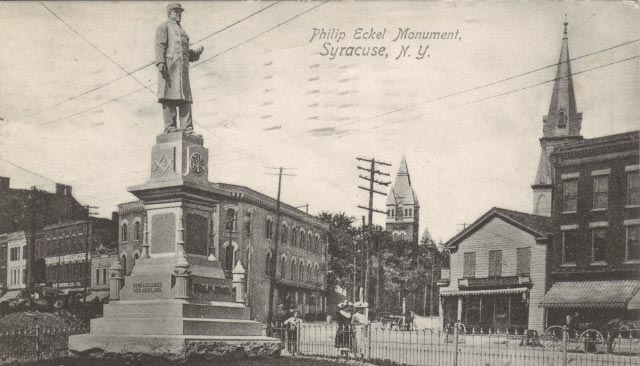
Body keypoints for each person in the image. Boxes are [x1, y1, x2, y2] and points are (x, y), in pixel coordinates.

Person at [155, 3, 204, 134]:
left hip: (182, 72)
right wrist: (160, 62)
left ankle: (187, 128)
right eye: (175, 11)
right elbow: (160, 45)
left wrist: (195, 53)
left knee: (185, 99)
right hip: (169, 69)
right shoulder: (163, 27)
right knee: (169, 97)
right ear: (169, 12)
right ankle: (170, 127)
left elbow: (185, 53)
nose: (178, 14)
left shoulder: (182, 31)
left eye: (180, 12)